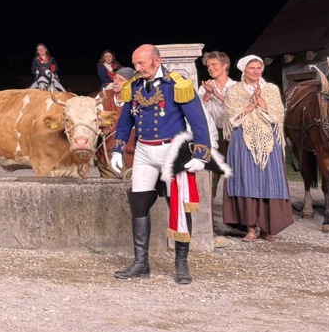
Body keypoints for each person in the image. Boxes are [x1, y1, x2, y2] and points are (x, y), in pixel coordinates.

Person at [110, 44, 213, 284]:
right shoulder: (133, 86)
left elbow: (197, 121)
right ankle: (141, 263)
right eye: (135, 64)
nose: (137, 68)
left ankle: (181, 264)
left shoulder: (178, 84)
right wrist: (118, 147)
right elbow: (126, 121)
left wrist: (201, 154)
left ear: (157, 61)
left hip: (172, 151)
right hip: (144, 151)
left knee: (178, 207)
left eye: (141, 64)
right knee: (139, 204)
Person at [222, 55, 293, 242]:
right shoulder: (233, 91)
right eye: (252, 68)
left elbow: (278, 116)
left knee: (269, 180)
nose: (256, 71)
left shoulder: (271, 89)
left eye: (258, 68)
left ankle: (268, 227)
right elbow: (231, 119)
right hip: (243, 140)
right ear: (244, 70)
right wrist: (251, 105)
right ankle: (250, 228)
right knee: (247, 179)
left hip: (269, 141)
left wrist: (262, 104)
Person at [200, 51, 235, 199]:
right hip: (214, 134)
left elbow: (235, 108)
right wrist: (208, 94)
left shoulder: (236, 86)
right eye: (208, 66)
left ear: (224, 65)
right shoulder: (204, 88)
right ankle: (210, 212)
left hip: (233, 133)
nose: (210, 68)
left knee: (234, 171)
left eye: (214, 65)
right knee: (212, 172)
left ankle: (234, 211)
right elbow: (202, 112)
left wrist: (216, 94)